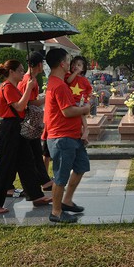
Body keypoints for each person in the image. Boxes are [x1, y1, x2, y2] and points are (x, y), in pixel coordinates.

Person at [0, 60, 52, 214]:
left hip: (17, 127)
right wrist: (28, 88)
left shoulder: (13, 87)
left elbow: (24, 106)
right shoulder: (7, 87)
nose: (23, 73)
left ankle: (36, 196)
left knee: (27, 162)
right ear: (12, 72)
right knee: (4, 167)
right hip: (10, 129)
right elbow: (20, 106)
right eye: (20, 70)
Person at [44, 48, 91, 224]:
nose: (70, 63)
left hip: (72, 135)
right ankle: (56, 212)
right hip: (62, 136)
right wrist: (85, 109)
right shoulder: (59, 85)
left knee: (81, 167)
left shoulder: (58, 82)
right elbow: (67, 111)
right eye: (68, 60)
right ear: (62, 63)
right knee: (61, 176)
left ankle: (67, 201)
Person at [17, 52, 52, 191]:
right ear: (39, 64)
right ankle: (43, 181)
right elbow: (30, 102)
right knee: (35, 152)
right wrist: (47, 97)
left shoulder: (31, 79)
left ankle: (44, 180)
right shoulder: (28, 80)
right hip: (29, 121)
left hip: (29, 120)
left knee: (36, 152)